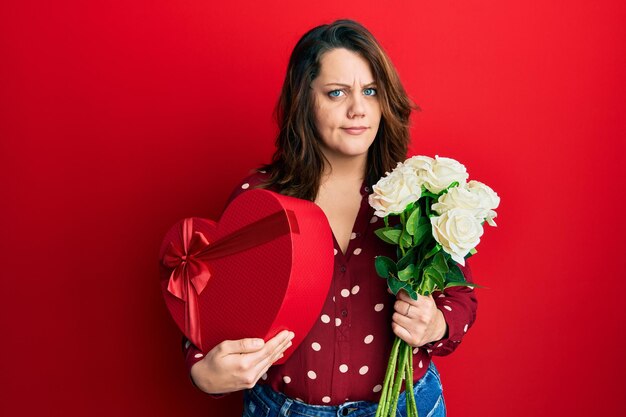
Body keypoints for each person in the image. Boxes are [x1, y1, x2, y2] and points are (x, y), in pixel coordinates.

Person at [182, 19, 477, 417]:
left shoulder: (418, 193)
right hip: (284, 409)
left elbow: (461, 297)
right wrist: (204, 372)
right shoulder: (261, 199)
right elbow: (211, 310)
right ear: (306, 100)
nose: (358, 109)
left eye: (370, 91)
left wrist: (435, 325)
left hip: (405, 406)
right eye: (337, 92)